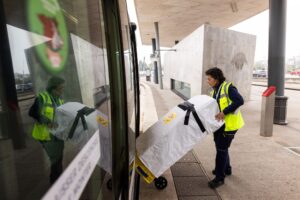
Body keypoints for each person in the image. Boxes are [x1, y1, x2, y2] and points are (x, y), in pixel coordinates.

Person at [205, 67, 244, 189]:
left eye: (209, 79)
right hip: (220, 125)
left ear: (216, 79)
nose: (208, 81)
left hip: (229, 125)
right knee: (221, 147)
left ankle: (219, 178)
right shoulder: (214, 91)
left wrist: (224, 112)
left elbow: (240, 100)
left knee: (221, 150)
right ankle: (226, 169)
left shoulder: (228, 88)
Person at [29, 76, 65, 184]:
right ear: (53, 88)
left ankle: (58, 181)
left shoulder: (59, 100)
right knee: (56, 160)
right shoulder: (42, 98)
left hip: (56, 134)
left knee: (58, 159)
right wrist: (47, 122)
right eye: (60, 89)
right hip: (46, 136)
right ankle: (56, 183)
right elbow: (32, 112)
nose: (62, 91)